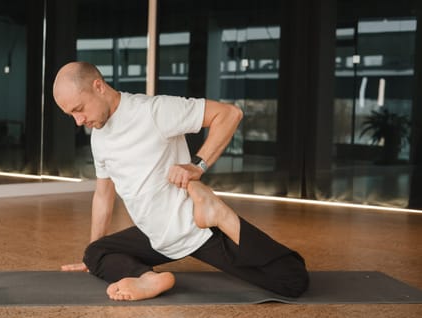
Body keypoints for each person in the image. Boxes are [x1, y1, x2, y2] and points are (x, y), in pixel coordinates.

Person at [53, 61, 309, 301]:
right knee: (95, 252)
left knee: (292, 281)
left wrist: (198, 165)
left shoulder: (153, 111)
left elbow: (229, 114)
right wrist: (94, 248)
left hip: (192, 227)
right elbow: (103, 194)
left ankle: (220, 215)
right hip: (156, 235)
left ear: (98, 86)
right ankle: (148, 279)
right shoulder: (99, 137)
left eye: (79, 109)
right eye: (70, 115)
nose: (79, 121)